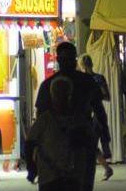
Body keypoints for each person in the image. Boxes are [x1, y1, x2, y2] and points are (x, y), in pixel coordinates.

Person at [34, 42, 108, 191]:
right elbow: (40, 117)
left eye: (70, 59)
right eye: (65, 59)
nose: (68, 63)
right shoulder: (49, 85)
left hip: (79, 139)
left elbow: (99, 110)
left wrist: (104, 135)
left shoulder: (85, 82)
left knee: (80, 182)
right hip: (59, 142)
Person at [26, 77, 82, 191]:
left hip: (53, 176)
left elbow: (29, 143)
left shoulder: (45, 120)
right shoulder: (76, 120)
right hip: (66, 176)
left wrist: (31, 167)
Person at [80, 54, 115, 181]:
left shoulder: (83, 79)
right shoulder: (99, 78)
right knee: (92, 144)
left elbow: (105, 96)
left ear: (81, 65)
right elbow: (107, 96)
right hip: (97, 112)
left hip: (92, 114)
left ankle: (104, 168)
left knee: (91, 144)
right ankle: (107, 168)